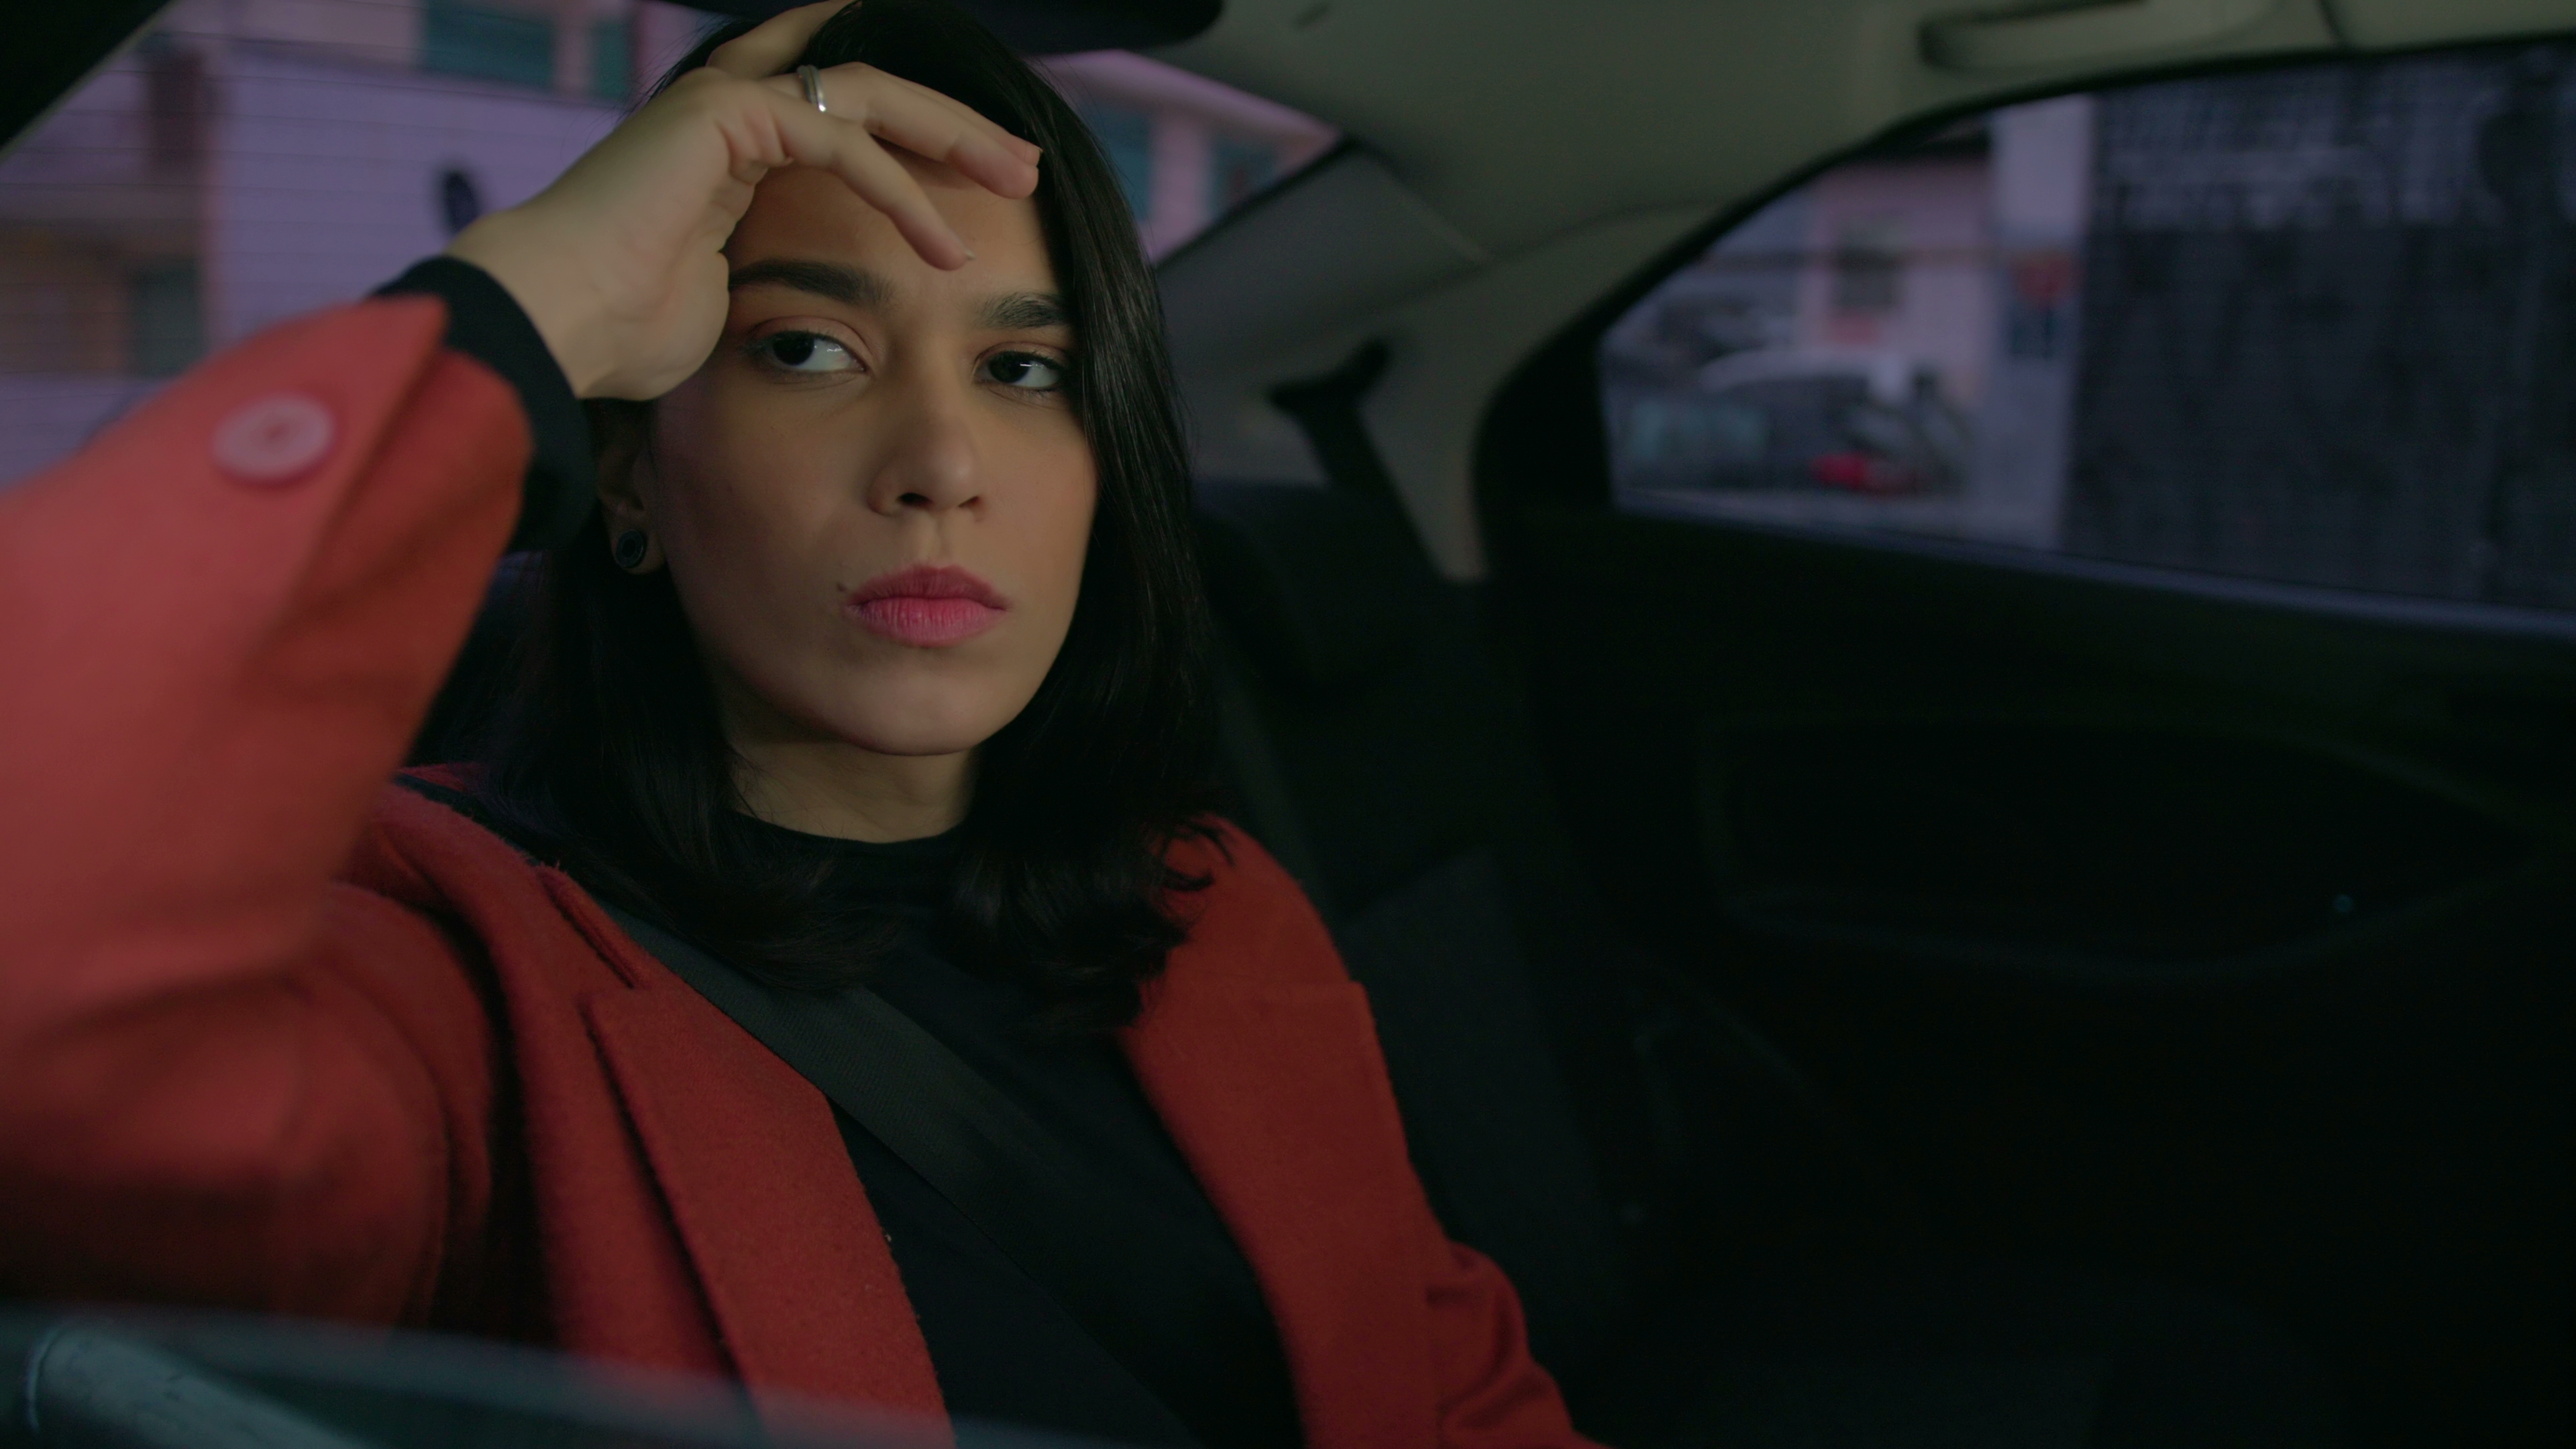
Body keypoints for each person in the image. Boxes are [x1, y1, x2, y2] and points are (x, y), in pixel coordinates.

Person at [0, 3, 1591, 1446]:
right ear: (626, 474)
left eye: (1027, 368)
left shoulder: (1213, 907)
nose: (941, 460)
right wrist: (523, 310)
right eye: (807, 348)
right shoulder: (459, 991)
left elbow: (1456, 1403)